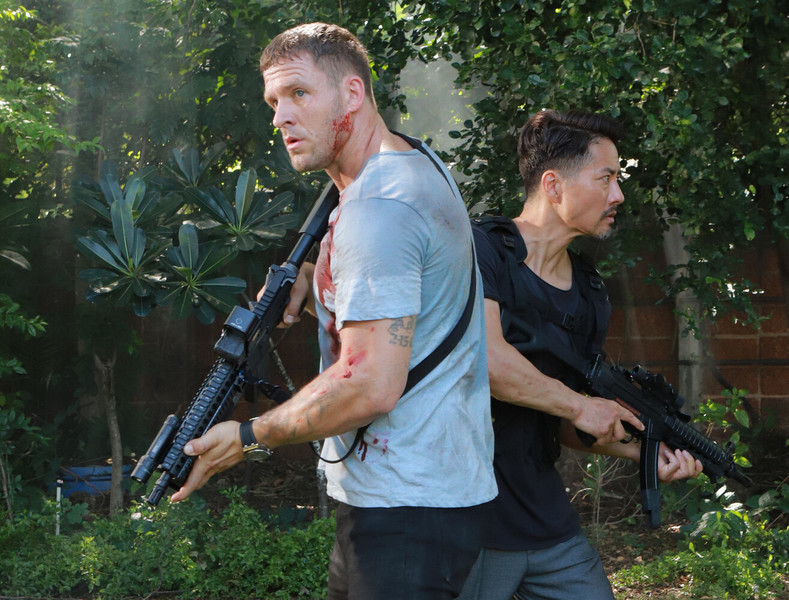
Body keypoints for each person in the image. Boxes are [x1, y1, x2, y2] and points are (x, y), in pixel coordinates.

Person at [169, 22, 496, 599]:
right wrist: (318, 272)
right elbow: (406, 261)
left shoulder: (380, 209)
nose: (280, 118)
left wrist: (247, 435)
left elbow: (369, 385)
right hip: (413, 493)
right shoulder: (413, 160)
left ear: (352, 93)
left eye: (299, 93)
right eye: (273, 102)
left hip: (406, 508)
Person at [460, 109, 703, 600]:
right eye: (606, 178)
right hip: (469, 516)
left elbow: (570, 426)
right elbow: (486, 362)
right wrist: (580, 406)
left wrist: (646, 452)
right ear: (553, 185)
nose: (619, 195)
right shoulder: (481, 250)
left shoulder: (589, 293)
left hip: (544, 518)